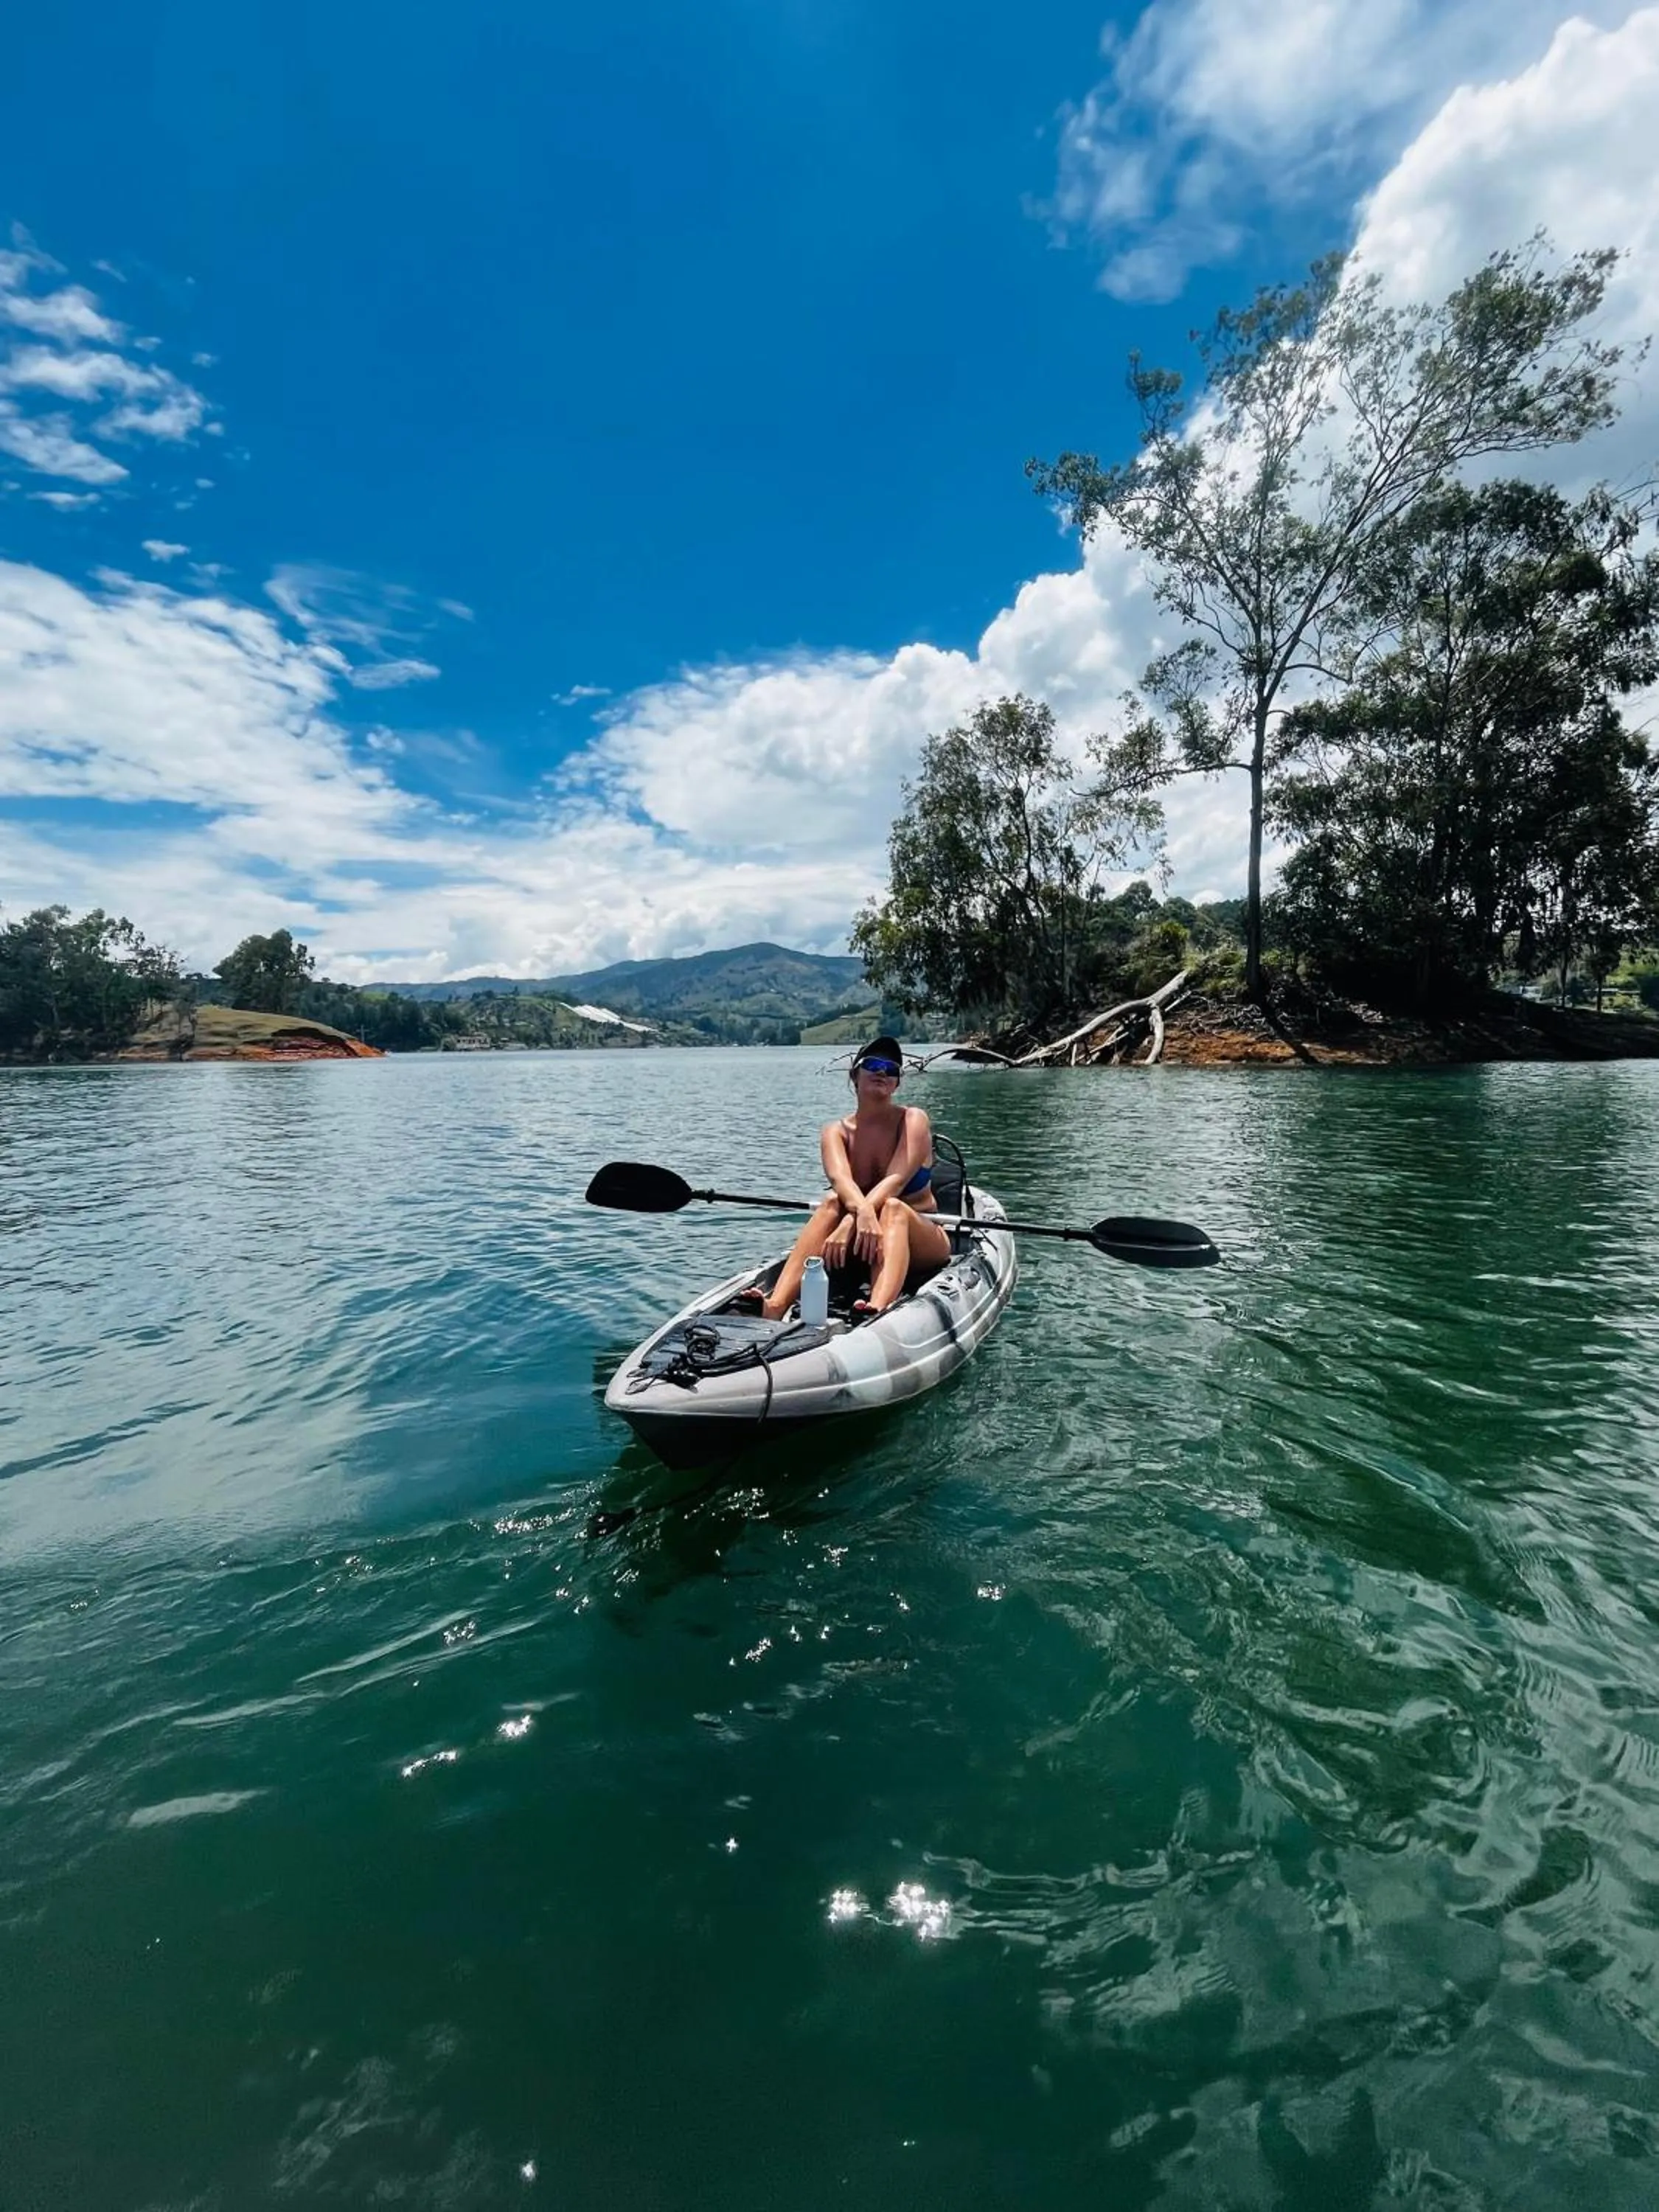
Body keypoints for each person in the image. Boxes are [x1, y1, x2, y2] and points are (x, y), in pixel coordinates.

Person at [754, 1035, 953, 1321]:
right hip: (860, 1243)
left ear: (897, 1083)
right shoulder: (835, 1132)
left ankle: (877, 1307)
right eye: (872, 1064)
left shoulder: (913, 1120)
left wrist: (851, 1221)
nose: (882, 1071)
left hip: (921, 1237)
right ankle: (775, 1305)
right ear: (854, 1075)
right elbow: (841, 1181)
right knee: (832, 1201)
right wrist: (856, 1217)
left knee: (893, 1208)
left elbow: (896, 1180)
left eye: (892, 1069)